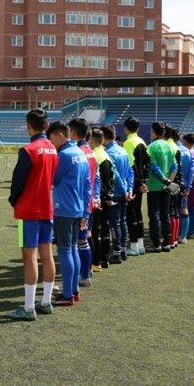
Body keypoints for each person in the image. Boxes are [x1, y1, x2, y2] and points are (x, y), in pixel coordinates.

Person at [7, 109, 58, 321]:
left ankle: (29, 307)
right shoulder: (54, 150)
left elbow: (17, 182)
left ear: (29, 126)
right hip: (47, 208)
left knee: (29, 258)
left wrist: (13, 200)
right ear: (47, 126)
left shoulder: (29, 150)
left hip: (29, 210)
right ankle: (45, 301)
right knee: (46, 255)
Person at [48, 121, 90, 307]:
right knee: (72, 250)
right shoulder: (80, 153)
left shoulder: (64, 155)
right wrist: (85, 213)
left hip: (64, 208)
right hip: (77, 208)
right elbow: (88, 184)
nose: (51, 143)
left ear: (60, 135)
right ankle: (73, 291)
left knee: (65, 251)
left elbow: (53, 179)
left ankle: (67, 294)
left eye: (51, 139)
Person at [67, 118, 97, 286]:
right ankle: (86, 272)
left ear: (73, 133)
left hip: (77, 204)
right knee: (83, 239)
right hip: (88, 202)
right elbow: (95, 179)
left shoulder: (77, 153)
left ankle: (83, 275)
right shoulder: (91, 152)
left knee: (78, 242)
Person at [147, 121, 179, 253]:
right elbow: (174, 166)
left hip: (155, 186)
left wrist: (165, 181)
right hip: (166, 187)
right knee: (165, 214)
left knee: (154, 215)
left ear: (153, 132)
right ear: (164, 132)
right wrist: (169, 182)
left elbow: (153, 166)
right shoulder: (170, 146)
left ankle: (156, 244)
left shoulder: (151, 147)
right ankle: (166, 242)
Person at [103, 125, 133, 263]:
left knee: (115, 223)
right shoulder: (123, 150)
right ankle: (123, 250)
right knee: (122, 221)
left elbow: (115, 175)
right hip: (125, 191)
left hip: (116, 192)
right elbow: (130, 172)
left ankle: (117, 253)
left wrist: (123, 189)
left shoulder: (108, 153)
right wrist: (129, 189)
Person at [123, 117, 150, 256]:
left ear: (125, 128)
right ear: (138, 128)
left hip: (133, 183)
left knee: (131, 214)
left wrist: (139, 183)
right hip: (141, 182)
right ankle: (140, 245)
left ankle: (134, 245)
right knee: (138, 212)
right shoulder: (142, 142)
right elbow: (147, 164)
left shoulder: (128, 143)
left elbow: (131, 166)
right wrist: (144, 181)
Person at [90, 129, 115, 271]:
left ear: (92, 140)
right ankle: (105, 259)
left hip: (99, 198)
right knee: (105, 229)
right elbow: (113, 177)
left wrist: (99, 196)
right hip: (107, 197)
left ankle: (96, 262)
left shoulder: (94, 155)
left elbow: (96, 179)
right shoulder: (106, 154)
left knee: (96, 231)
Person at [174, 129, 194, 243]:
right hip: (184, 185)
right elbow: (191, 171)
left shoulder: (172, 149)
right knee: (183, 209)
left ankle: (173, 235)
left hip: (172, 184)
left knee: (172, 210)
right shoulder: (188, 151)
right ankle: (183, 236)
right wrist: (188, 186)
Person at [182, 133, 194, 238]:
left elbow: (192, 173)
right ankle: (190, 231)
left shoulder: (187, 154)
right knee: (193, 209)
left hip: (189, 184)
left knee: (184, 208)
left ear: (185, 142)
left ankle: (184, 232)